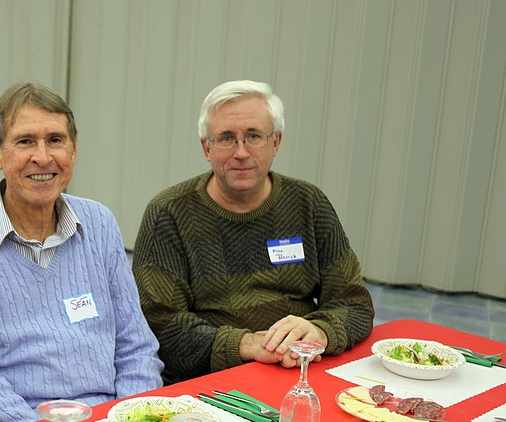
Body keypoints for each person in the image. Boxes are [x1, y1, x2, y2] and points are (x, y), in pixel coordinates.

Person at [0, 82, 163, 422]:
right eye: (25, 142)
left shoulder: (99, 224)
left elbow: (137, 350)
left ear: (73, 150)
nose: (43, 157)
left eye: (55, 140)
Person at [133, 80, 373, 384]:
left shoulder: (308, 204)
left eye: (254, 136)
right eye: (226, 138)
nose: (241, 152)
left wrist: (321, 331)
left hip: (302, 371)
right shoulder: (169, 214)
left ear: (276, 142)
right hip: (213, 383)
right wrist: (248, 345)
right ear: (206, 148)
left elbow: (355, 302)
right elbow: (160, 327)